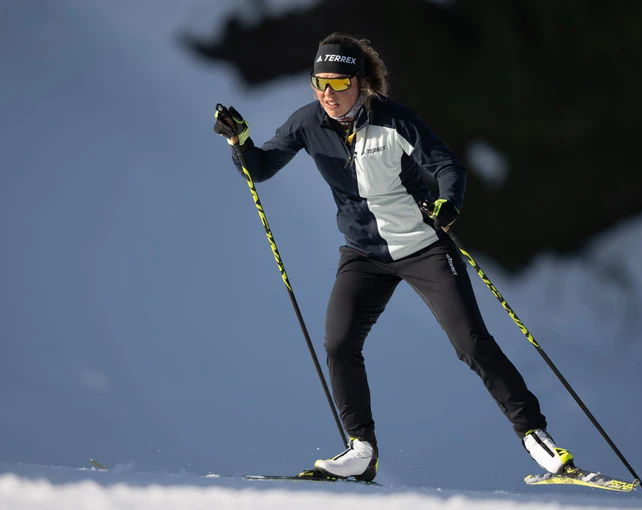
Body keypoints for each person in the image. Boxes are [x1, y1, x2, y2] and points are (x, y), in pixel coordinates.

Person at [214, 32, 573, 482]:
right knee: (340, 344)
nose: (328, 94)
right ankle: (361, 451)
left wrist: (448, 204)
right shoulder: (307, 123)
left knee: (471, 343)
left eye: (340, 84)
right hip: (363, 254)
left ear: (361, 84)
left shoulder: (395, 120)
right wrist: (240, 143)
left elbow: (448, 166)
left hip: (423, 247)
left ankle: (536, 438)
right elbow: (260, 168)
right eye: (319, 83)